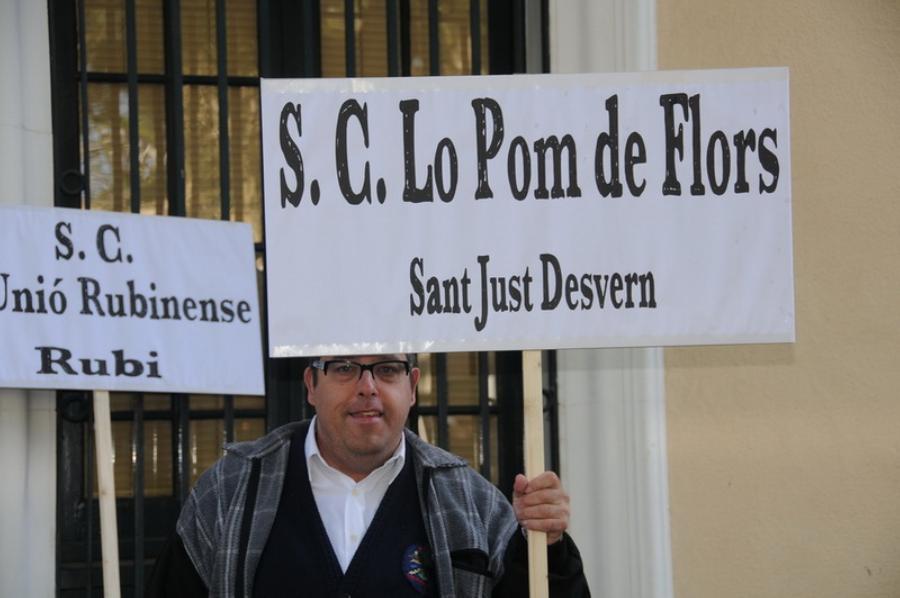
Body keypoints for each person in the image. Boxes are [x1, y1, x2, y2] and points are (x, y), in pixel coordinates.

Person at [148, 354, 589, 597]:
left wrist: (547, 548)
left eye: (387, 369)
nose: (367, 387)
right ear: (311, 384)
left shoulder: (474, 503)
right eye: (343, 368)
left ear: (412, 386)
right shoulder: (229, 492)